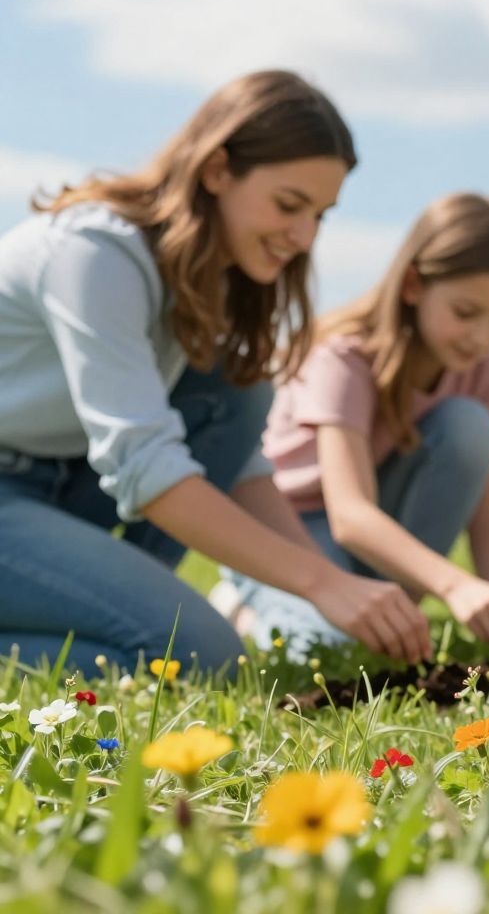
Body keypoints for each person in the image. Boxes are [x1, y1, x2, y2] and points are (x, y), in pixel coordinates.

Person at [0, 70, 433, 673]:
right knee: (197, 655)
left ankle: (129, 610)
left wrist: (327, 586)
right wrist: (321, 582)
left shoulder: (213, 274)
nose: (304, 237)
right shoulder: (95, 254)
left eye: (320, 215)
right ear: (217, 170)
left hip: (66, 487)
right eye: (289, 205)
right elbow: (144, 464)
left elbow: (235, 460)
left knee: (240, 389)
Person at [216, 192, 489, 656]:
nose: (482, 337)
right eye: (466, 313)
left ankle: (381, 618)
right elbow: (349, 516)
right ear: (412, 285)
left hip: (380, 529)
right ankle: (248, 607)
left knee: (469, 426)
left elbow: (486, 519)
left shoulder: (483, 369)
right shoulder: (343, 357)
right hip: (291, 529)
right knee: (331, 650)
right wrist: (455, 587)